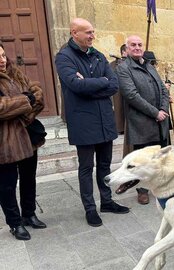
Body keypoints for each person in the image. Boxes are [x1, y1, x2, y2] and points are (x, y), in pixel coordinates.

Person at [55, 18, 129, 227]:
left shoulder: (98, 55)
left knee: (105, 164)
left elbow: (113, 84)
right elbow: (75, 85)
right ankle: (90, 208)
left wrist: (92, 85)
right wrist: (100, 83)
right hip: (83, 122)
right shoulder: (64, 57)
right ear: (74, 33)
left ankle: (107, 201)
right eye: (87, 32)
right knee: (86, 167)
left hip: (104, 119)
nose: (92, 36)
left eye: (93, 32)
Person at [116, 36, 171, 205]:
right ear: (127, 48)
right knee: (142, 159)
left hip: (159, 121)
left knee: (161, 157)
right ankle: (142, 190)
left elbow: (163, 89)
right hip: (142, 123)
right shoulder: (124, 68)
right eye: (133, 45)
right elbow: (132, 95)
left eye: (140, 45)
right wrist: (155, 113)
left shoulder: (148, 65)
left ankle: (162, 186)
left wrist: (163, 109)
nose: (137, 47)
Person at [0, 42, 46, 240]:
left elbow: (37, 94)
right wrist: (24, 101)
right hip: (5, 143)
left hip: (27, 138)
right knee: (6, 186)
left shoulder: (15, 72)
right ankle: (15, 223)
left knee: (29, 179)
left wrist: (24, 113)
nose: (2, 60)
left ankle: (29, 214)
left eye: (3, 55)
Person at [111, 44, 127, 134]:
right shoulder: (114, 64)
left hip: (125, 90)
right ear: (123, 52)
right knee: (119, 108)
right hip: (117, 91)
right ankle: (121, 128)